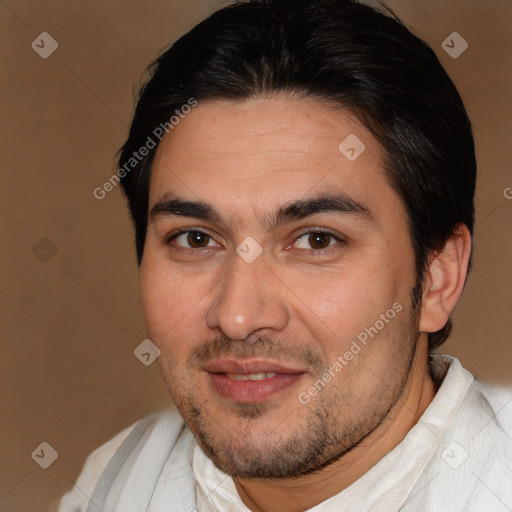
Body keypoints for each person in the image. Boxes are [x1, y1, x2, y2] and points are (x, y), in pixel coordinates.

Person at [57, 0, 512, 510]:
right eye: (196, 239)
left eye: (317, 240)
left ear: (438, 277)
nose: (238, 317)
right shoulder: (115, 482)